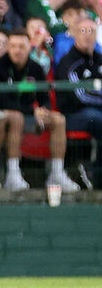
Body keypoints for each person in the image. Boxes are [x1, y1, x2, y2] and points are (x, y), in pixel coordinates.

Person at [0, 29, 78, 192]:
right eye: (14, 46)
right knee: (17, 118)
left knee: (59, 120)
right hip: (8, 117)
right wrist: (32, 110)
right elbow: (1, 101)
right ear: (8, 47)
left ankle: (57, 172)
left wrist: (44, 111)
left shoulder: (35, 68)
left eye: (22, 46)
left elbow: (44, 96)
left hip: (31, 116)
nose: (17, 50)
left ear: (29, 48)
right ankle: (13, 173)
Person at [54, 18, 102, 188]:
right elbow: (79, 97)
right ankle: (97, 176)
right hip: (73, 115)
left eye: (91, 31)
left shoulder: (99, 59)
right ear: (74, 34)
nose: (87, 35)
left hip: (95, 112)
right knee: (97, 119)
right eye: (83, 31)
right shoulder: (69, 62)